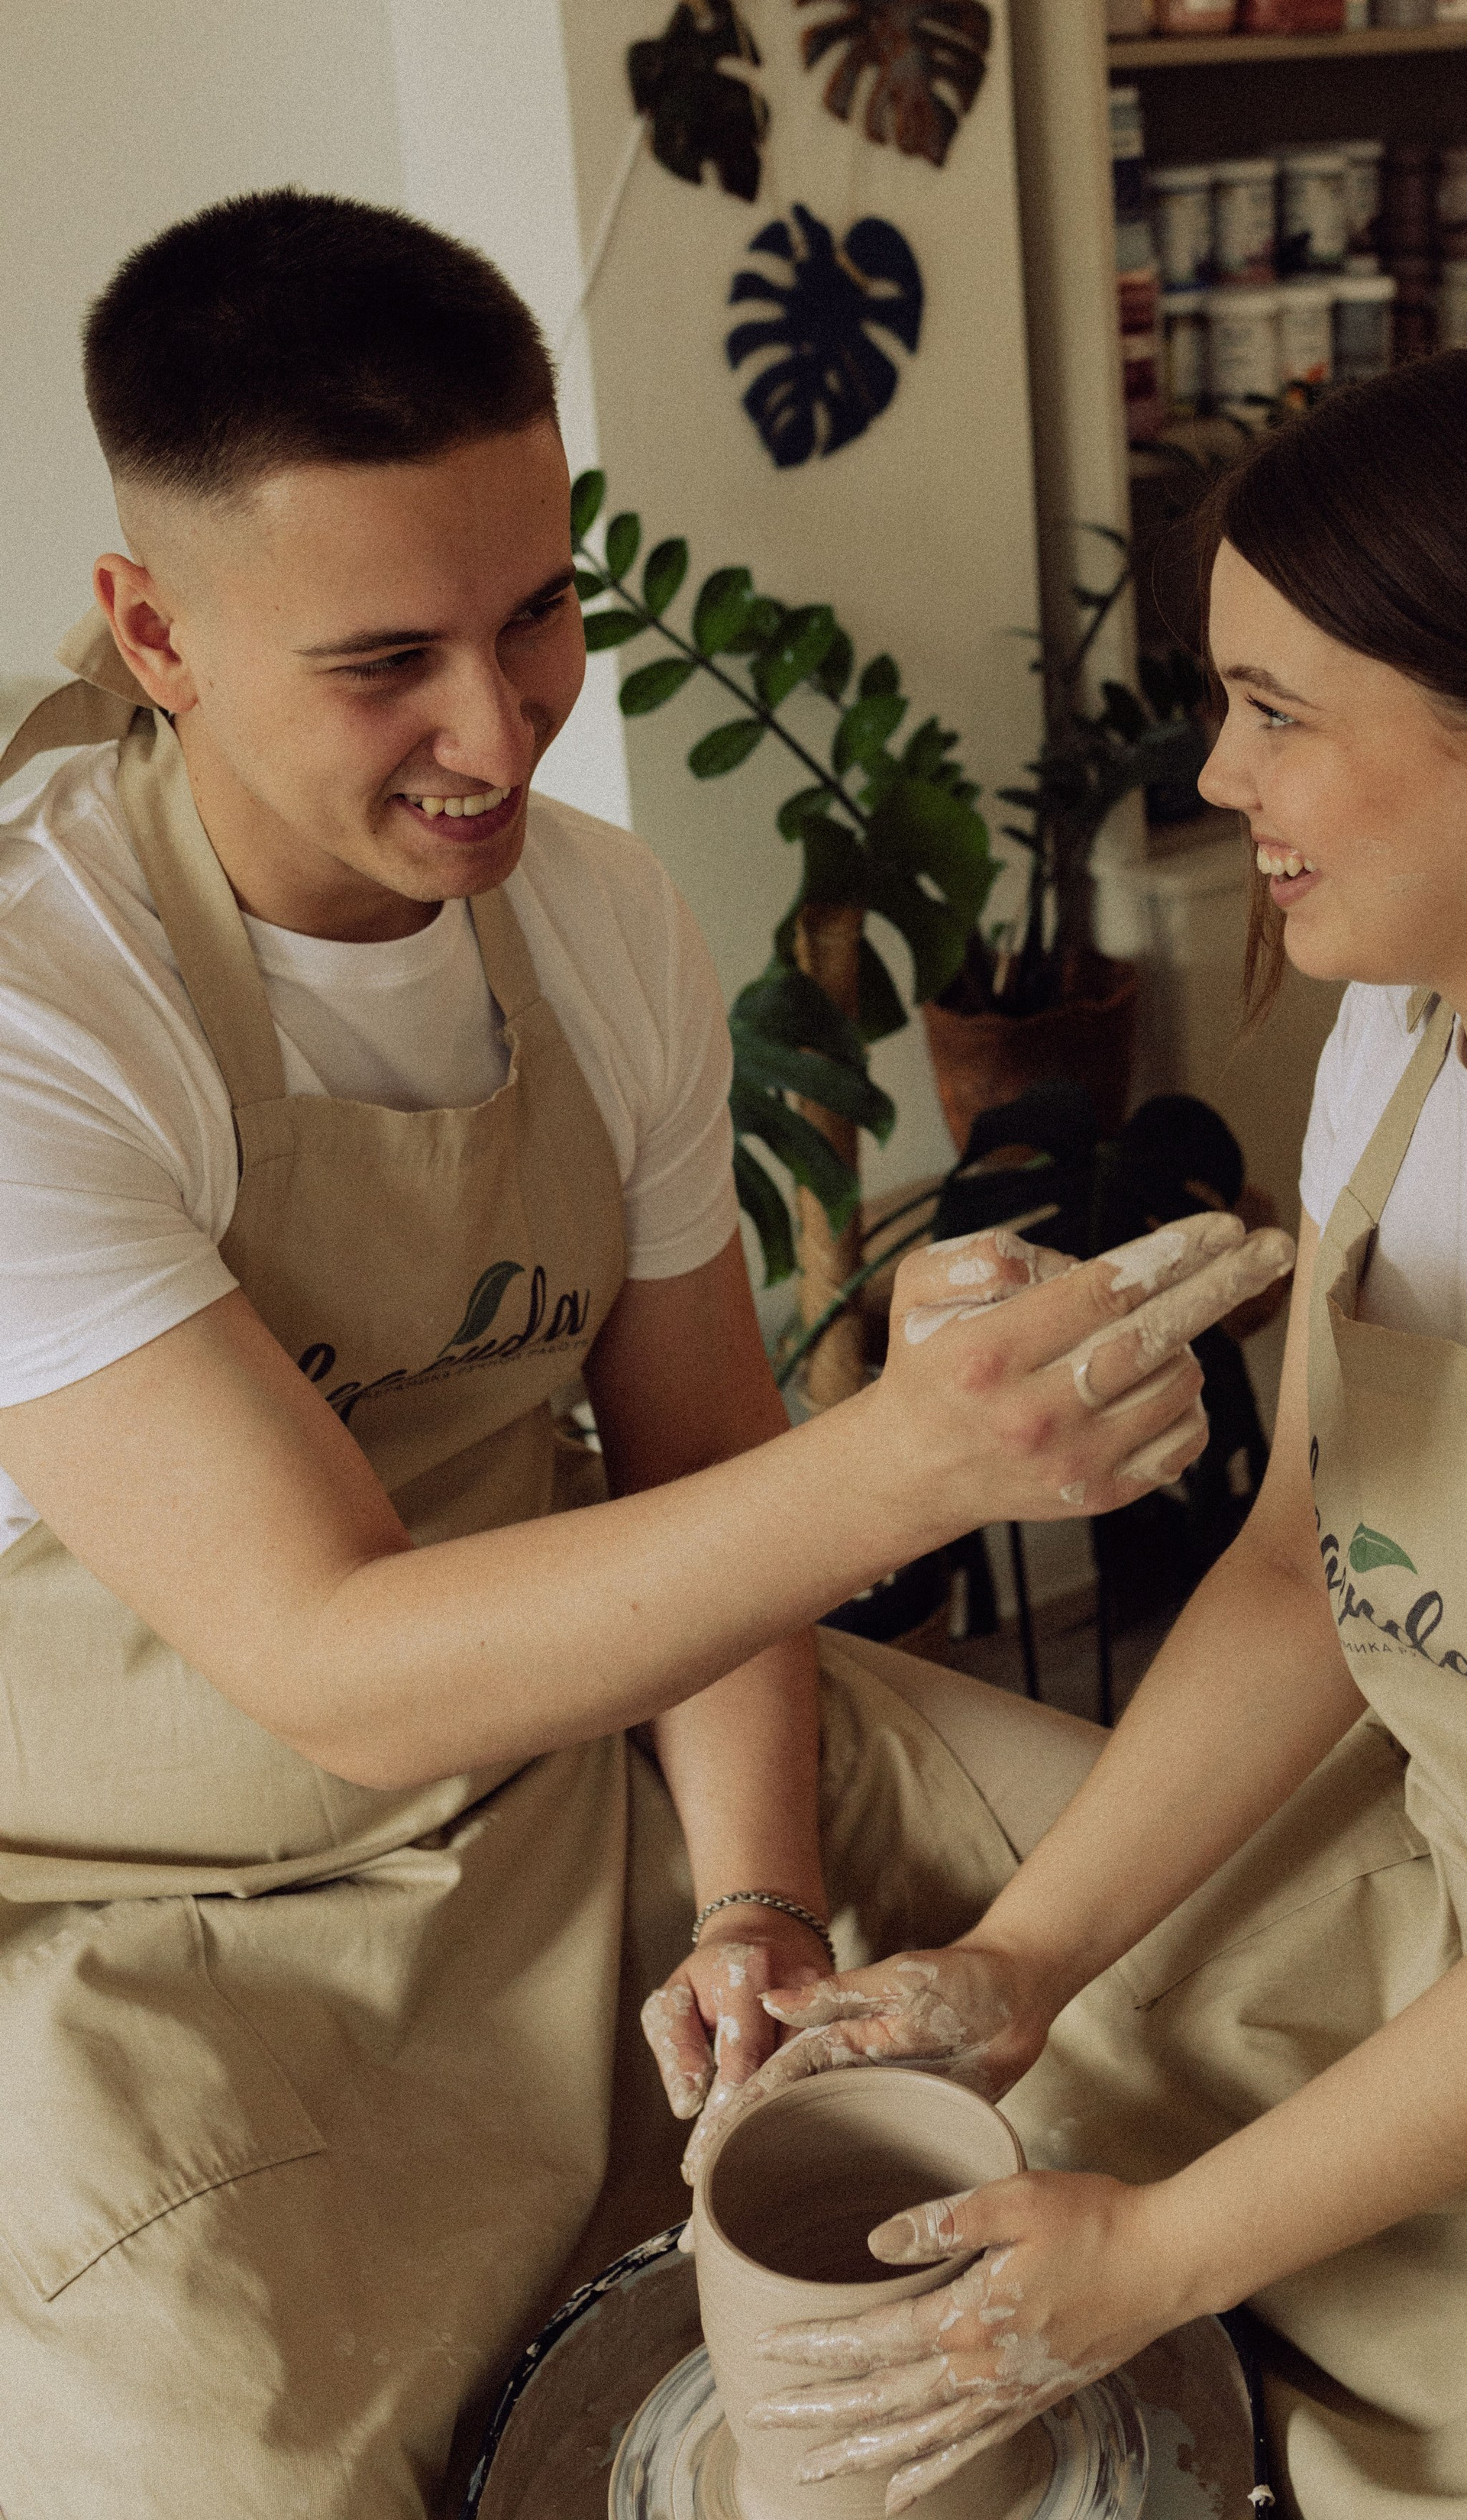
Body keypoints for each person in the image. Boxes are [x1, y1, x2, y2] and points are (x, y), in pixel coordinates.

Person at [0, 189, 1292, 2518]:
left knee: (1264, 1951)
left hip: (595, 1737)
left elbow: (703, 1470)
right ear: (156, 630)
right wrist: (920, 1466)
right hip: (167, 1894)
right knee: (227, 2447)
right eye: (384, 660)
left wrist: (759, 1911)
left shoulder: (593, 926)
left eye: (537, 613)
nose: (495, 731)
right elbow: (336, 1665)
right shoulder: (41, 1021)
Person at [683, 351, 1467, 2520]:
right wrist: (1020, 1965)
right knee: (977, 2037)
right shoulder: (1407, 1034)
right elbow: (1302, 1562)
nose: (1216, 771)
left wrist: (1165, 2258)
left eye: (1279, 712)